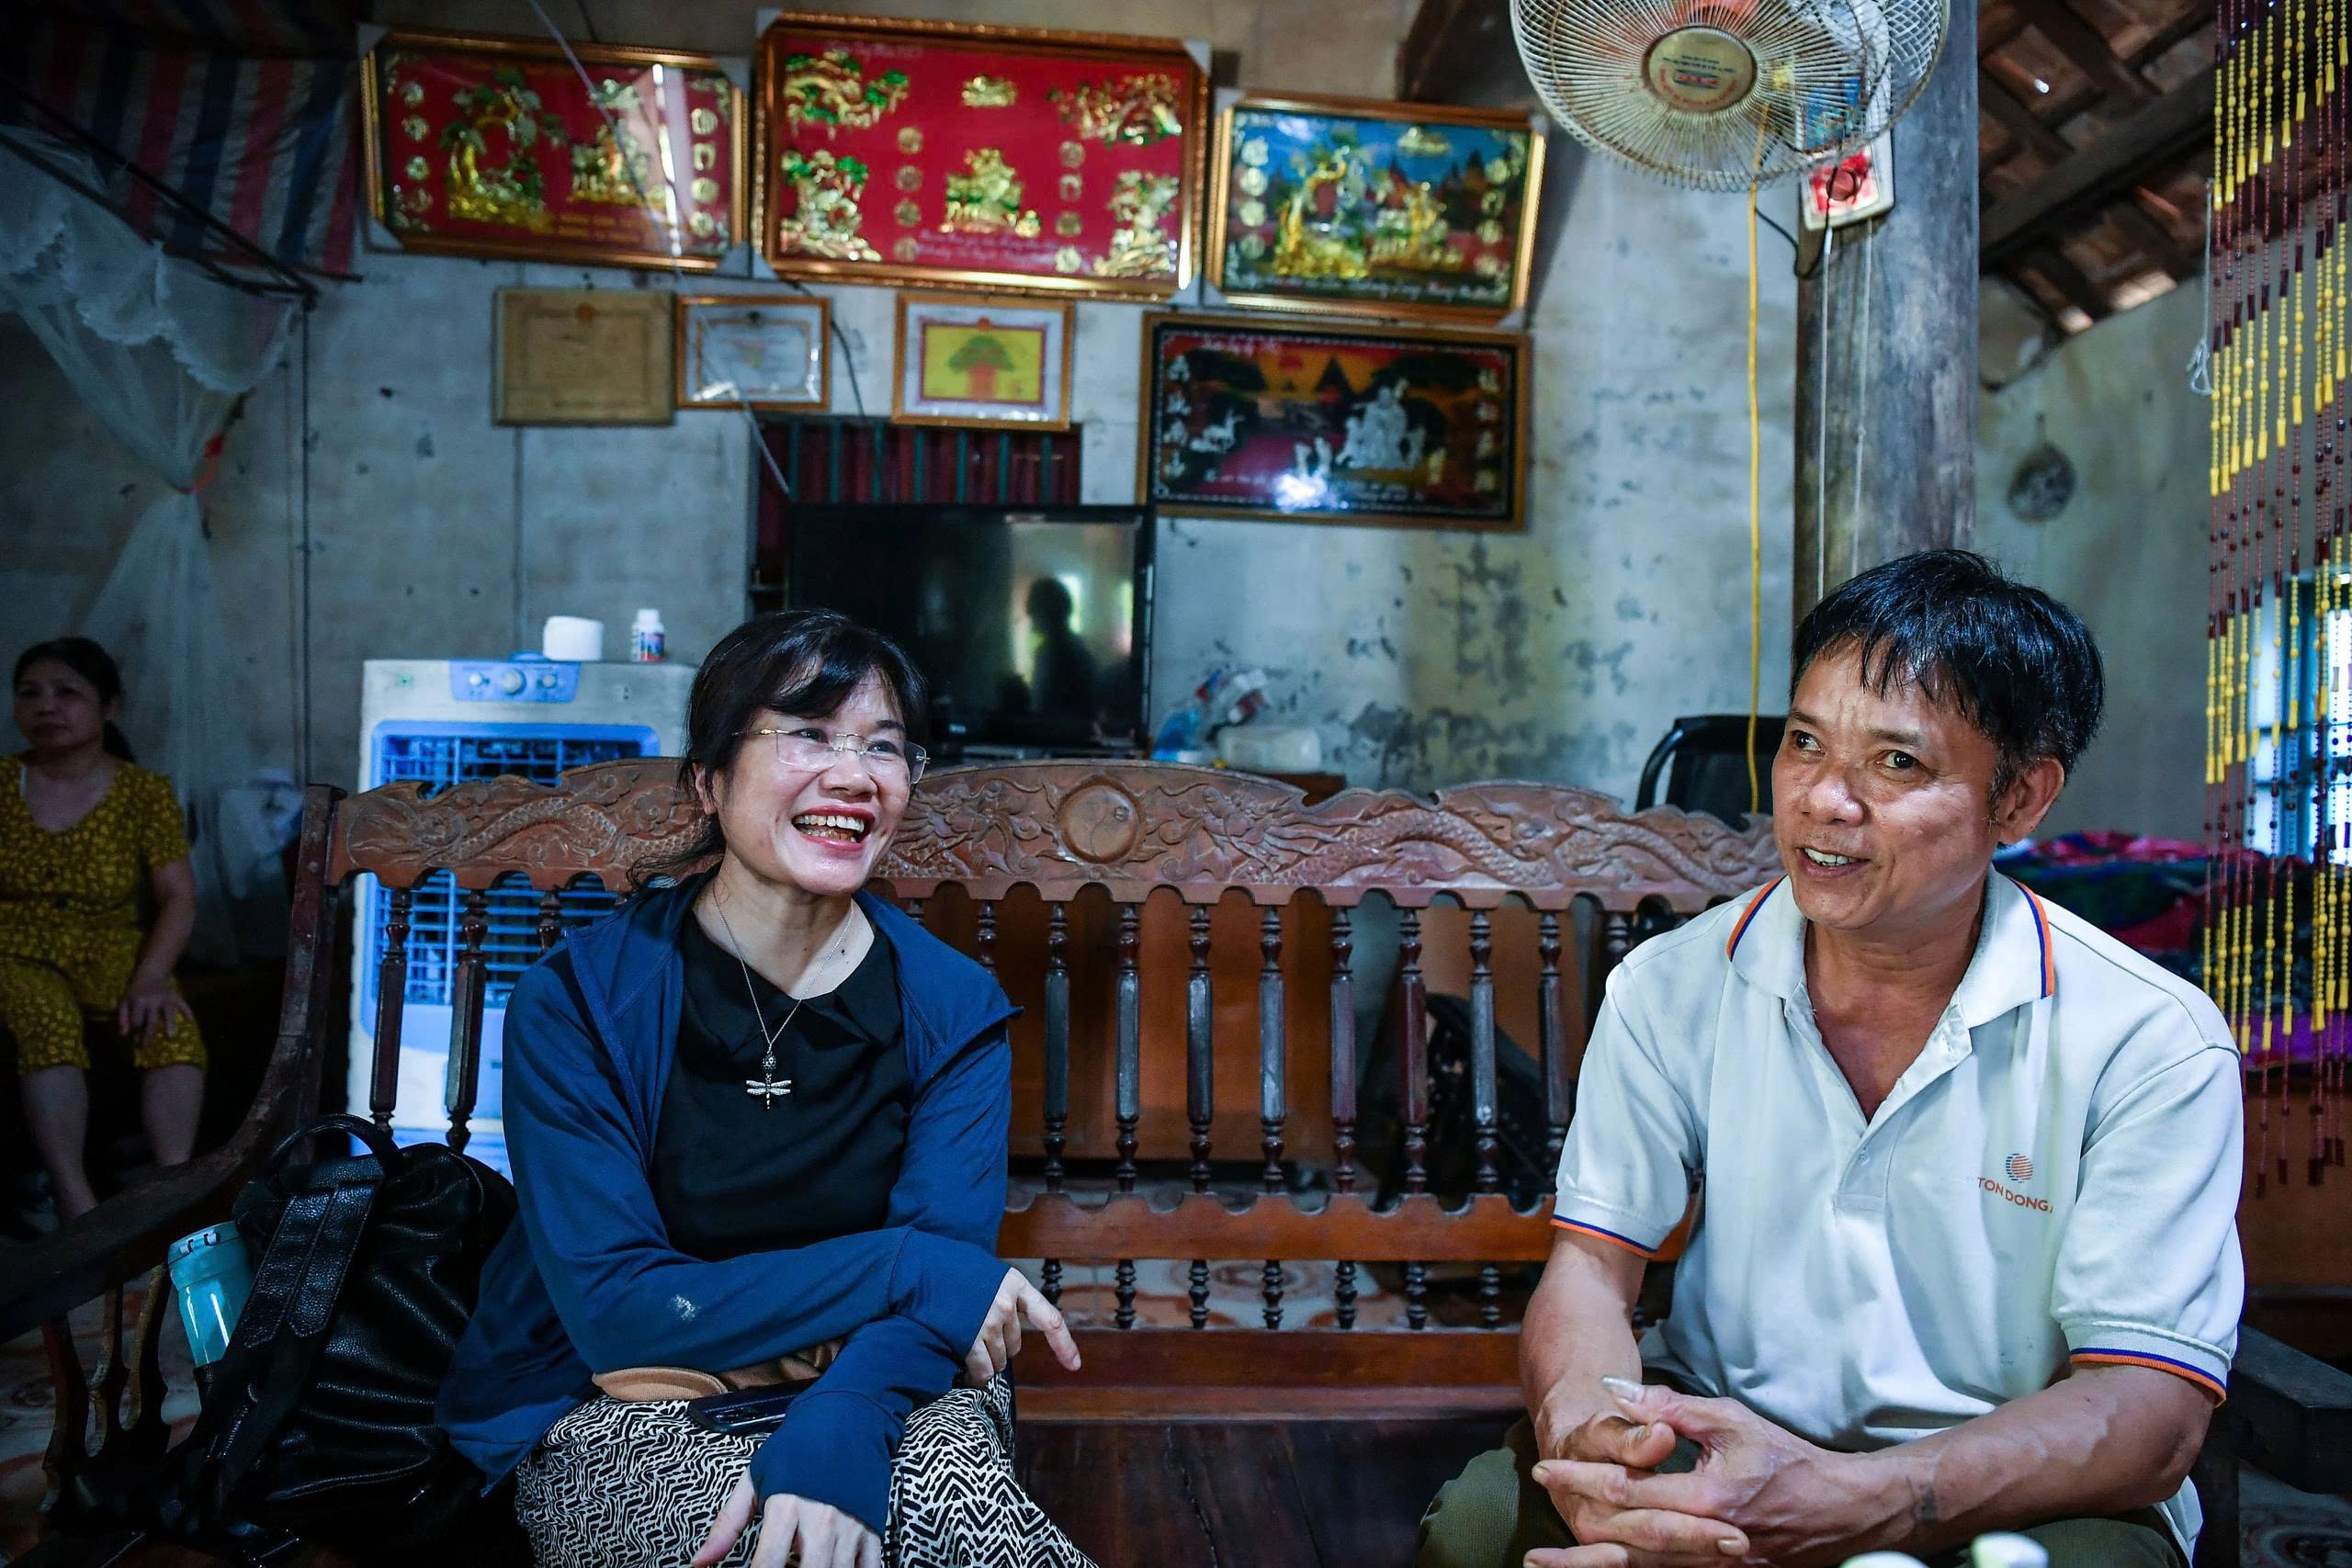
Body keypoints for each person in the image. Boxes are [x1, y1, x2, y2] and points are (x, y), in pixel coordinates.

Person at [1418, 550, 2241, 1568]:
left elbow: (2149, 1409)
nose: (1823, 800)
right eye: (1805, 742)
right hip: (1722, 1437)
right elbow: (1590, 1271)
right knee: (1477, 1535)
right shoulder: (1672, 986)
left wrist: (1857, 1501)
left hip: (2001, 1480)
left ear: (2022, 798)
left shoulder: (2151, 1041)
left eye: (1896, 763)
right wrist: (1601, 1452)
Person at [439, 609, 1098, 1568]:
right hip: (612, 1394)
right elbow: (620, 1309)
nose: (854, 775)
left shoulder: (953, 1008)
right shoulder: (578, 1003)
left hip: (885, 1369)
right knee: (778, 1548)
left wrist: (844, 1418)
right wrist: (904, 1269)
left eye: (884, 746)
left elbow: (944, 1299)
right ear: (709, 779)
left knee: (939, 1506)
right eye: (809, 735)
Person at [3, 637, 204, 1223]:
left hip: (113, 946)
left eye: (67, 693)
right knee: (48, 1025)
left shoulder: (144, 793)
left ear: (109, 706)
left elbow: (178, 896)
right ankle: (76, 1203)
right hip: (15, 949)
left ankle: (171, 1194)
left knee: (170, 1029)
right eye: (30, 693)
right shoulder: (3, 784)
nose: (47, 706)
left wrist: (150, 977)